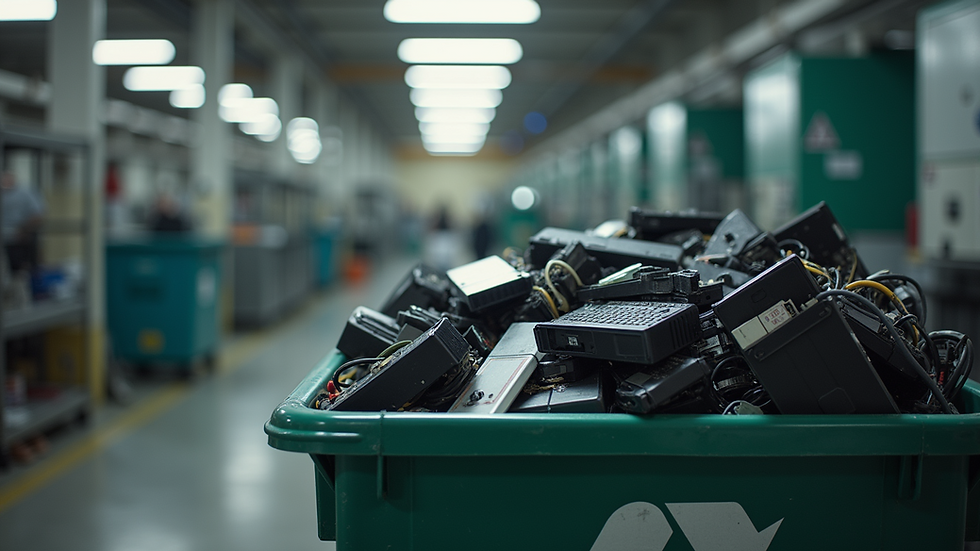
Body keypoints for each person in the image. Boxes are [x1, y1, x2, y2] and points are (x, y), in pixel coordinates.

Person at [1, 171, 45, 273]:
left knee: (21, 270)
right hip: (5, 238)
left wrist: (24, 230)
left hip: (20, 237)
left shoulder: (25, 193)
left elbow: (38, 215)